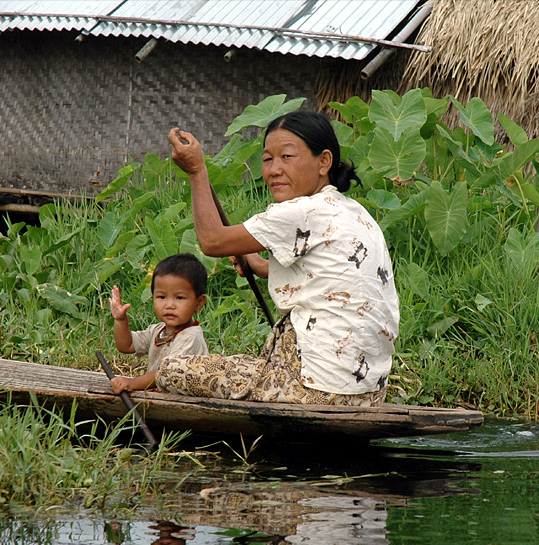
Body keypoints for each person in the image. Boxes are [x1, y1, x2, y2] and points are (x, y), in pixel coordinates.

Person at [160, 110, 399, 406]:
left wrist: (197, 172)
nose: (274, 170)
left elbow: (211, 240)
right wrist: (257, 264)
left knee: (171, 370)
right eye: (267, 159)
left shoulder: (300, 211)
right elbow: (326, 278)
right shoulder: (354, 211)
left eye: (287, 157)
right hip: (365, 393)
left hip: (316, 389)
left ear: (323, 161)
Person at [109, 252, 209, 392]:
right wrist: (120, 320)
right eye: (162, 297)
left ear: (199, 302)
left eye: (179, 298)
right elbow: (127, 345)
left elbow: (166, 372)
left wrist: (133, 383)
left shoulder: (190, 337)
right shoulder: (158, 331)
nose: (169, 305)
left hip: (185, 402)